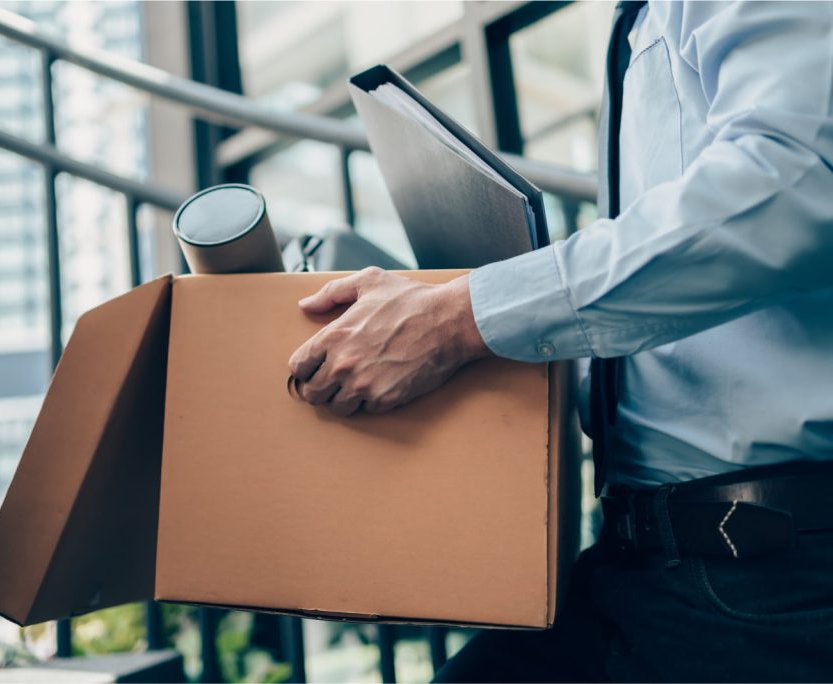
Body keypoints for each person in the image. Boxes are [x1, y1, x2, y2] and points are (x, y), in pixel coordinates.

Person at [287, 1, 833, 681]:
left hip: (770, 572)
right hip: (646, 561)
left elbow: (800, 184)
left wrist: (461, 318)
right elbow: (693, 331)